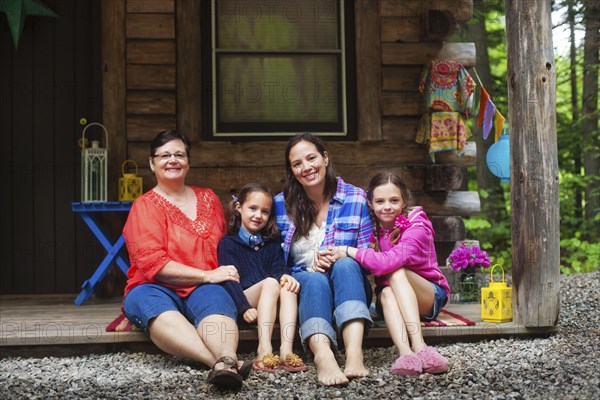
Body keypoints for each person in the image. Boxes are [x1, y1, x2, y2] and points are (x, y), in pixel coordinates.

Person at [122, 130, 250, 390]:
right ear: (152, 163)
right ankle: (219, 363)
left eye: (179, 155)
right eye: (165, 155)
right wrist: (207, 275)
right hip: (154, 285)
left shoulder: (208, 198)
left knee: (217, 300)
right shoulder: (144, 205)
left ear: (188, 162)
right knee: (148, 303)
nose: (172, 160)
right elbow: (153, 265)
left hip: (205, 286)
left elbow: (226, 243)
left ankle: (225, 357)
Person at [320, 171, 450, 375]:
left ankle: (420, 346)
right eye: (379, 201)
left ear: (404, 200)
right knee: (387, 292)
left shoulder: (417, 225)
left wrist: (346, 250)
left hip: (428, 294)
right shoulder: (372, 228)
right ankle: (405, 354)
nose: (387, 206)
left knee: (396, 271)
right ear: (370, 203)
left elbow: (388, 263)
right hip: (391, 299)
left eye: (394, 200)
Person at [274, 132, 374, 386]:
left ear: (325, 158)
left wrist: (343, 252)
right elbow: (272, 258)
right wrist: (307, 267)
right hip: (306, 286)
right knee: (312, 278)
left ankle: (354, 352)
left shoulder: (356, 197)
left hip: (348, 282)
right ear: (291, 170)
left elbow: (368, 257)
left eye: (311, 158)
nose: (306, 167)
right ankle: (323, 355)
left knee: (346, 264)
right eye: (297, 164)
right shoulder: (280, 204)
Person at [217, 183, 307, 373]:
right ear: (239, 207)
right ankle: (264, 349)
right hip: (244, 300)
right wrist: (243, 308)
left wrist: (285, 276)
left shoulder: (271, 243)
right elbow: (228, 281)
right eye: (253, 208)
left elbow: (278, 268)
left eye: (264, 212)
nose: (258, 215)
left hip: (269, 298)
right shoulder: (228, 243)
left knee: (286, 285)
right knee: (270, 283)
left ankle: (286, 350)